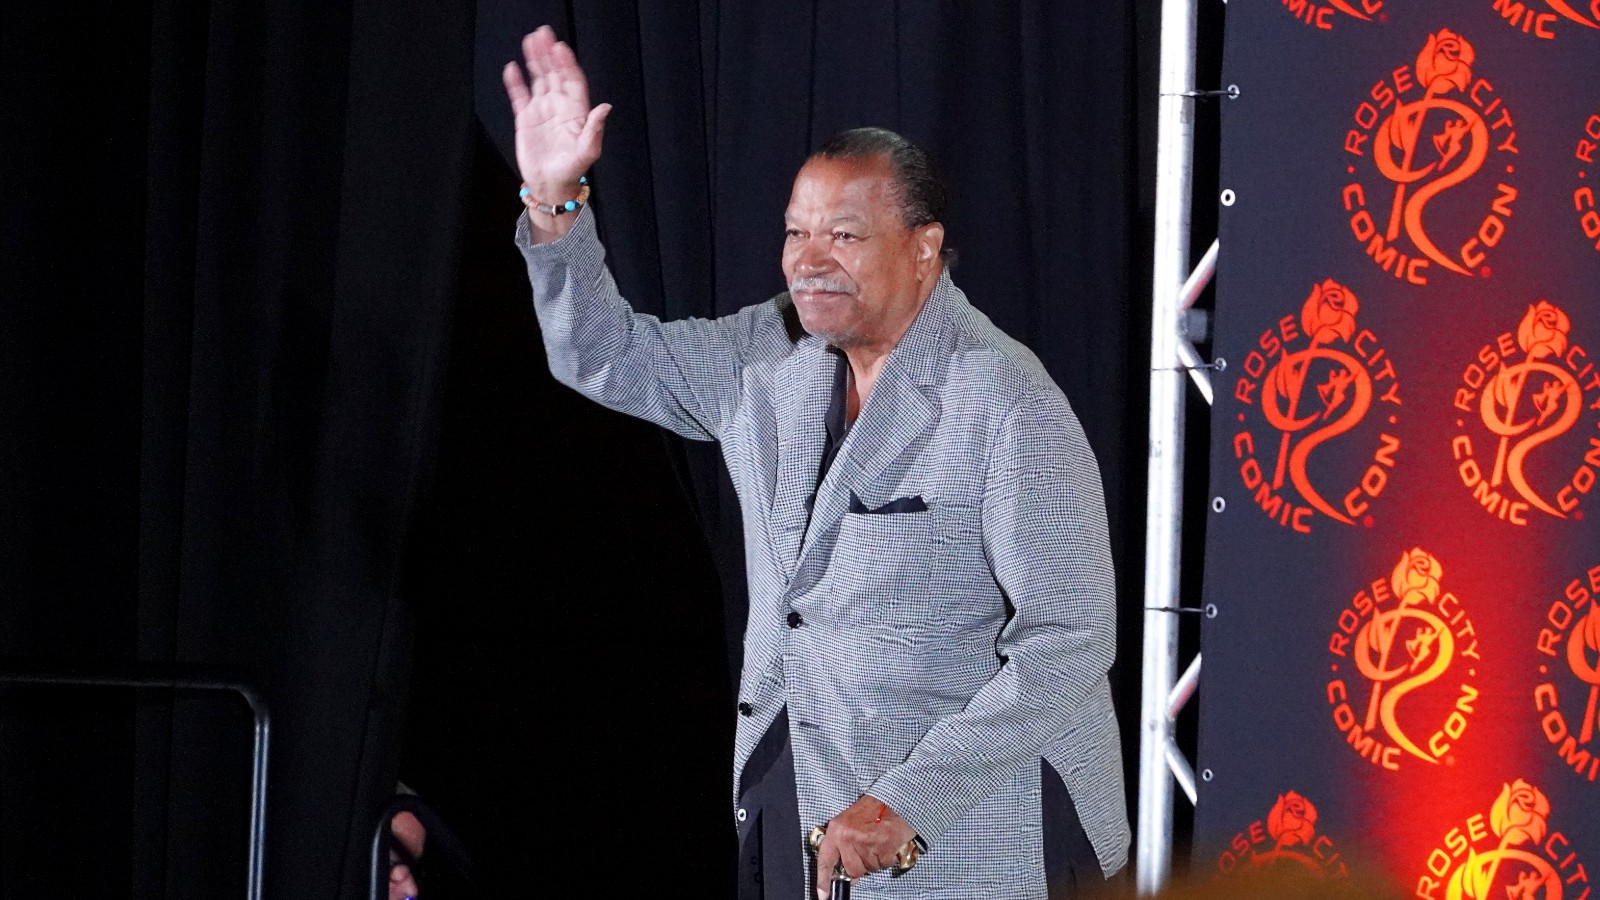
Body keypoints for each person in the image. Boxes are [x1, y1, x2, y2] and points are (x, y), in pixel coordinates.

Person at [502, 26, 1129, 900]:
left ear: (923, 247)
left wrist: (908, 800)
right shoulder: (770, 353)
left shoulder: (1004, 399)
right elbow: (605, 355)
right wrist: (555, 200)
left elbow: (1070, 638)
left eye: (844, 234)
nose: (809, 259)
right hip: (797, 788)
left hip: (976, 822)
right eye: (797, 231)